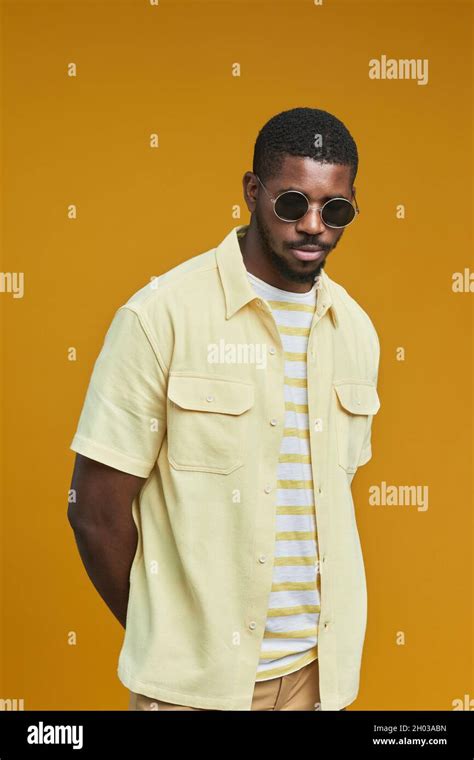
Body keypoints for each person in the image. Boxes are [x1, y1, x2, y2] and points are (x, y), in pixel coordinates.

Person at [68, 107, 381, 711]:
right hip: (195, 692)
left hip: (322, 682)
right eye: (293, 203)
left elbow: (326, 501)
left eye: (334, 209)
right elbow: (95, 514)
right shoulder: (162, 316)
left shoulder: (356, 331)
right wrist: (172, 643)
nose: (314, 225)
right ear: (251, 191)